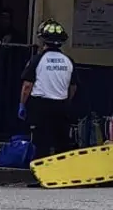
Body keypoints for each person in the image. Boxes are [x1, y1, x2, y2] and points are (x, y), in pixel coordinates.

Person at [18, 19, 77, 166]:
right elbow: (73, 86)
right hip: (61, 105)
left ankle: (40, 175)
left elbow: (27, 86)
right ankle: (62, 174)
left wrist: (22, 105)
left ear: (43, 40)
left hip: (40, 106)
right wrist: (66, 101)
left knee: (41, 143)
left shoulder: (37, 60)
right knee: (61, 142)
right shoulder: (68, 61)